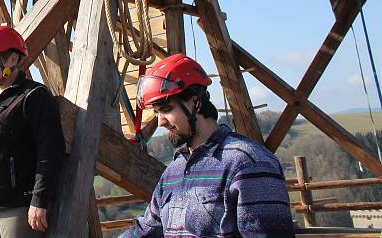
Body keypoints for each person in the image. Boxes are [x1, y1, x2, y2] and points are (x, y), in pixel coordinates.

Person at [120, 53, 294, 238]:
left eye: (166, 110)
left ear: (196, 102)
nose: (160, 122)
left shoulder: (247, 163)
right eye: (156, 112)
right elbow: (146, 231)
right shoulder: (174, 172)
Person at [0, 26, 65, 238]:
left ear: (12, 60)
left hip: (19, 207)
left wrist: (39, 201)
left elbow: (50, 152)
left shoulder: (33, 97)